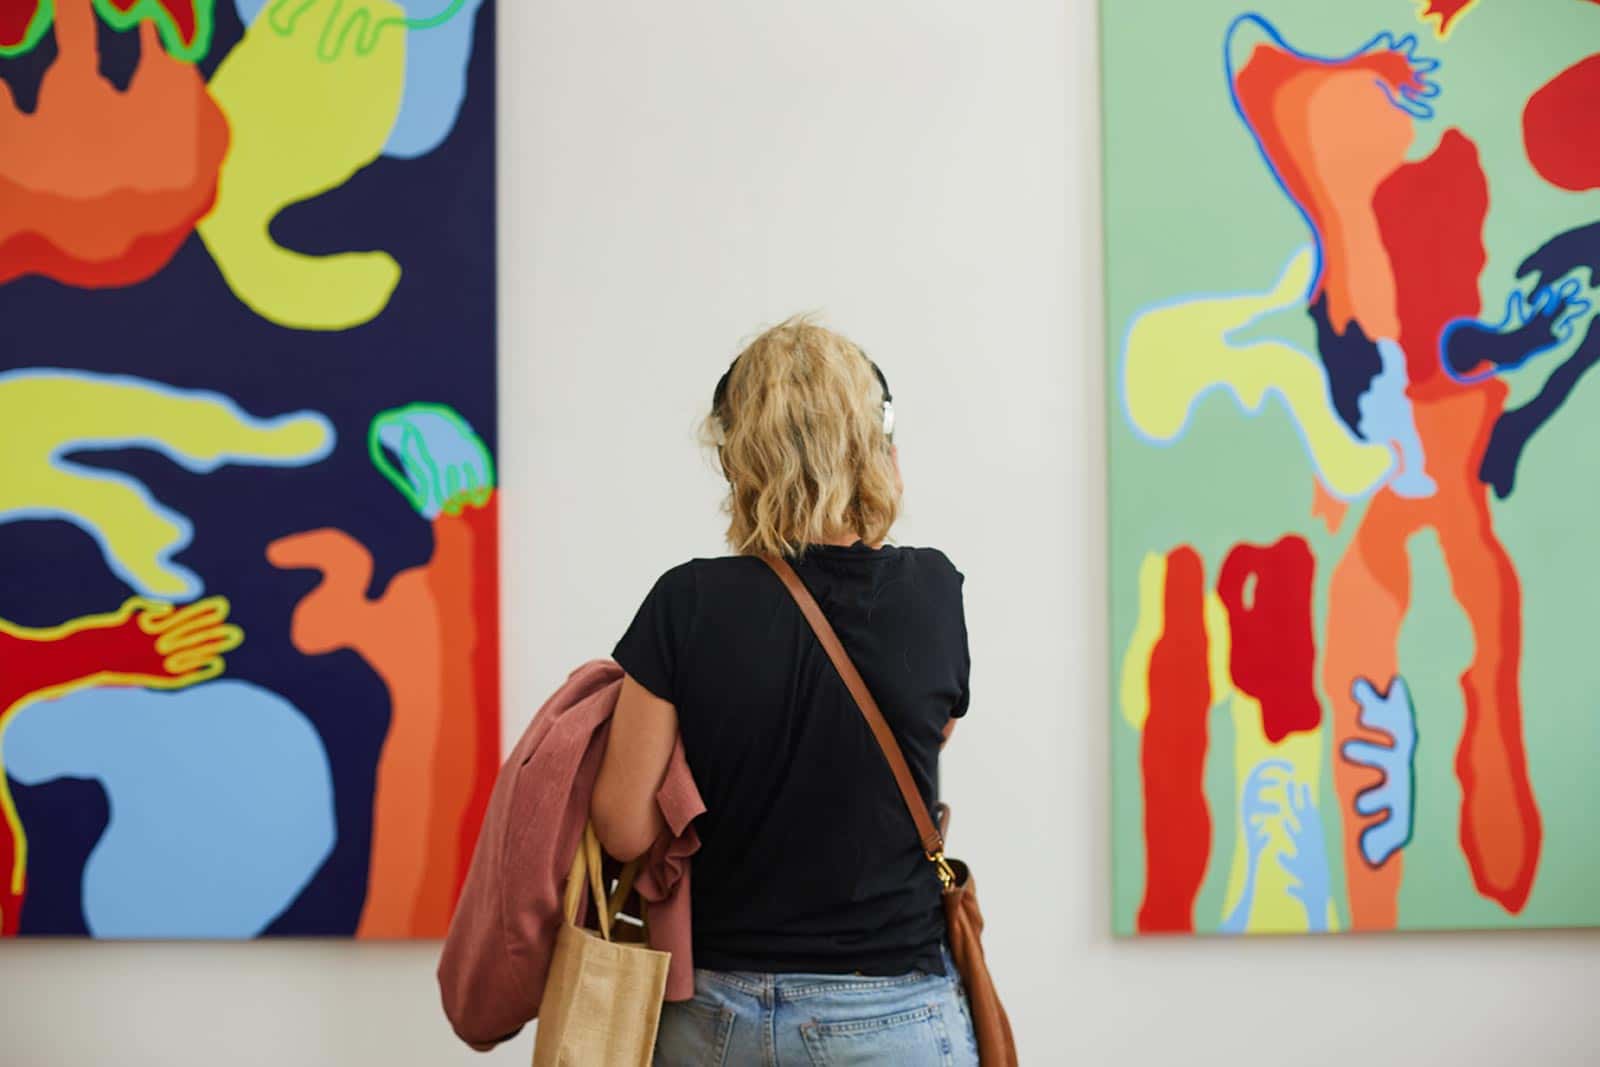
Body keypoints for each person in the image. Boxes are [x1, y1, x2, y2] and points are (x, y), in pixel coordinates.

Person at [592, 317, 979, 1065]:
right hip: (890, 1014)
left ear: (739, 457)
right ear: (875, 443)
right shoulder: (932, 590)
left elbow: (625, 830)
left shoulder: (685, 602)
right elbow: (927, 737)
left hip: (715, 1018)